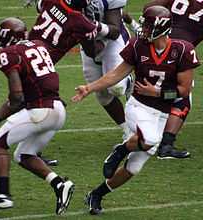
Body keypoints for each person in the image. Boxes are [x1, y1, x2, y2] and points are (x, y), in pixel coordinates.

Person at [72, 5, 200, 215]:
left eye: (149, 26)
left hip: (161, 113)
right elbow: (116, 74)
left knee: (134, 168)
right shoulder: (138, 46)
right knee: (148, 139)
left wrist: (157, 93)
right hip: (138, 106)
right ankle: (121, 149)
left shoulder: (182, 50)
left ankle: (96, 194)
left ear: (162, 28)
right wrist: (89, 88)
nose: (145, 30)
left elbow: (183, 91)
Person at [0, 0, 104, 164]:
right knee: (42, 102)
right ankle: (28, 151)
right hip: (40, 58)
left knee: (29, 98)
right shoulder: (80, 20)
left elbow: (39, 6)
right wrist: (100, 32)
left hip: (28, 49)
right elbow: (93, 52)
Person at [0, 17, 75, 214]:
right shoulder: (39, 44)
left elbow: (17, 96)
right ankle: (60, 185)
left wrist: (4, 113)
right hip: (58, 109)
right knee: (24, 155)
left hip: (40, 111)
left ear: (7, 37)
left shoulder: (10, 53)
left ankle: (3, 195)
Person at [143, 0, 203, 159]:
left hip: (153, 45)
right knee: (182, 95)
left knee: (144, 87)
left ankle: (139, 133)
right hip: (179, 51)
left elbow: (149, 8)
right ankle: (166, 145)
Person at [80, 0, 134, 137]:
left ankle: (128, 81)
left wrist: (91, 25)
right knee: (102, 94)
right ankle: (127, 129)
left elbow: (114, 30)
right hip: (88, 40)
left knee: (116, 88)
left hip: (113, 40)